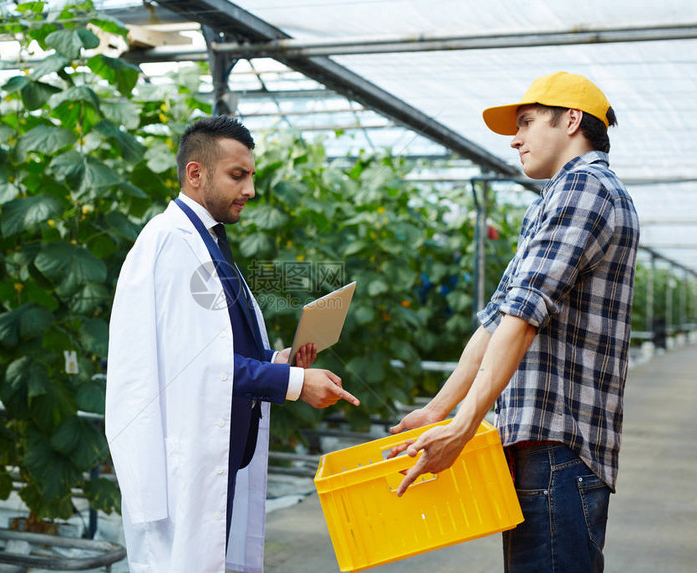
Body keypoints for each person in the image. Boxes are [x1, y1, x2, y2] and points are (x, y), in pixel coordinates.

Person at [389, 72, 639, 572]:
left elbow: (525, 317)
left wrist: (463, 427)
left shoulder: (586, 188)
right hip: (538, 447)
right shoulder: (552, 200)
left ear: (571, 121)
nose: (515, 137)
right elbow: (499, 316)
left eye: (526, 121)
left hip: (559, 448)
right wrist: (439, 410)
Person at [105, 116, 359, 573]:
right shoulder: (172, 244)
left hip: (220, 453)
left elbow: (222, 348)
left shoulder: (209, 242)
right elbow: (202, 367)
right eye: (237, 176)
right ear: (195, 174)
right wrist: (295, 383)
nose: (250, 191)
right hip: (188, 459)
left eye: (252, 176)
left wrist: (281, 360)